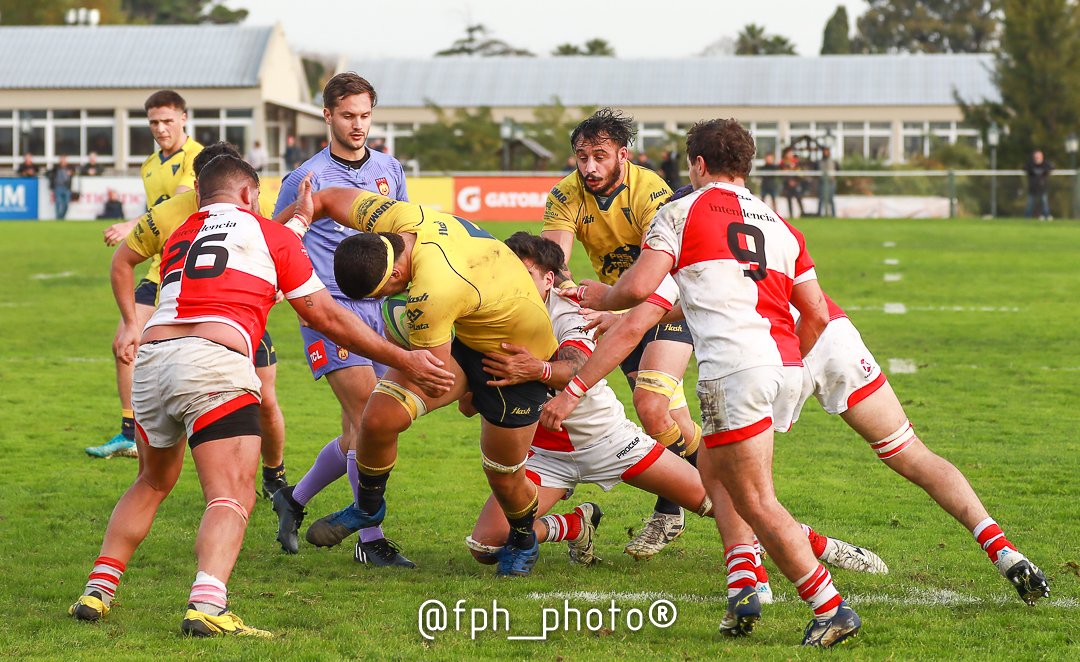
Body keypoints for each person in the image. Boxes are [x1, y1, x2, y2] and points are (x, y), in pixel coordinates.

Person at [68, 155, 453, 637]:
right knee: (230, 494)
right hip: (213, 363)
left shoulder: (183, 233)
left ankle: (97, 590)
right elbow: (323, 315)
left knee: (151, 481)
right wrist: (404, 359)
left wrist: (302, 217)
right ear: (250, 195)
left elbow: (262, 239)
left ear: (202, 193)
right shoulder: (269, 235)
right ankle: (207, 604)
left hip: (153, 361)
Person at [564, 118, 861, 647]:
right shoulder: (778, 223)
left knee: (756, 500)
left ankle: (829, 606)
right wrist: (790, 370)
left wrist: (600, 296)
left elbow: (638, 286)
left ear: (698, 164)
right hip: (784, 365)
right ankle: (743, 586)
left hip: (735, 371)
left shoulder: (679, 210)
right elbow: (814, 311)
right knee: (715, 473)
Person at [472, 233, 887, 583]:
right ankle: (574, 524)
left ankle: (822, 546)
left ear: (548, 279)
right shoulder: (493, 311)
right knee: (486, 547)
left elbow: (578, 365)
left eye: (525, 274)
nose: (513, 282)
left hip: (609, 441)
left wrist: (538, 369)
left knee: (728, 504)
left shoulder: (568, 310)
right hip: (546, 454)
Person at [277, 185, 558, 576]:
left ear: (395, 273)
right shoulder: (401, 220)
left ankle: (525, 538)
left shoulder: (430, 294)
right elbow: (323, 199)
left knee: (503, 474)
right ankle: (368, 507)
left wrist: (399, 335)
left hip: (516, 360)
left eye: (383, 294)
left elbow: (435, 375)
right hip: (469, 327)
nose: (384, 300)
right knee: (378, 418)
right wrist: (270, 237)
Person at [790, 293, 1049, 605]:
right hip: (831, 334)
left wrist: (787, 369)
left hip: (773, 346)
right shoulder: (791, 254)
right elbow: (812, 299)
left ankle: (768, 573)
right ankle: (1003, 550)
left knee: (745, 483)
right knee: (912, 453)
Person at [542, 108, 699, 561]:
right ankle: (725, 486)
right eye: (582, 157)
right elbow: (554, 258)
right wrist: (570, 289)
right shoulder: (566, 194)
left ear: (622, 156)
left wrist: (623, 309)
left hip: (666, 303)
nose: (589, 166)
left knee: (650, 407)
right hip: (614, 311)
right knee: (672, 421)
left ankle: (675, 508)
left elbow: (663, 267)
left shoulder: (651, 191)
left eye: (600, 156)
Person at [268, 73, 412, 559]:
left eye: (365, 115)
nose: (358, 125)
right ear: (327, 115)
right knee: (371, 416)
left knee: (360, 429)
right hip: (327, 308)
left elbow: (404, 235)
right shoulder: (305, 177)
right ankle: (370, 541)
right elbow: (274, 236)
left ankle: (293, 499)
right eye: (348, 115)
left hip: (379, 307)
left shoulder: (390, 168)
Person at [112, 142, 293, 499]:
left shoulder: (258, 203)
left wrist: (282, 284)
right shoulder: (169, 214)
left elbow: (284, 242)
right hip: (181, 319)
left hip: (238, 319)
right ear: (198, 185)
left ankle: (274, 474)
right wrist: (131, 323)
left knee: (266, 400)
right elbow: (122, 260)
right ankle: (174, 479)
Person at [88, 90, 204, 459]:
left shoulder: (198, 158)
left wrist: (131, 226)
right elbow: (159, 213)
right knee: (124, 343)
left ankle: (199, 429)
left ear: (183, 118)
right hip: (159, 266)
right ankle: (129, 432)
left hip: (193, 268)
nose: (160, 128)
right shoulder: (150, 164)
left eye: (167, 120)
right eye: (154, 122)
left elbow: (178, 205)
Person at [1023, 150, 1052, 220]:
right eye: (1036, 156)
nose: (1037, 158)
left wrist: (1044, 172)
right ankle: (1027, 217)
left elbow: (1051, 168)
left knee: (1044, 202)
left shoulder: (1045, 164)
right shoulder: (1030, 164)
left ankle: (1047, 215)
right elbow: (1024, 168)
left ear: (1042, 157)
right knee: (1030, 203)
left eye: (1039, 156)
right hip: (1032, 188)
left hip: (1042, 187)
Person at [47, 155, 76, 220]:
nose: (63, 161)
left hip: (67, 188)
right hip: (58, 187)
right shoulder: (56, 168)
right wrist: (52, 178)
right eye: (62, 160)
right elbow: (48, 173)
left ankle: (61, 217)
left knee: (66, 204)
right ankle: (58, 217)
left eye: (64, 160)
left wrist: (71, 173)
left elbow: (75, 173)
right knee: (58, 202)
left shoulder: (70, 168)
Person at [781, 147, 804, 218]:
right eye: (789, 152)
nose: (790, 154)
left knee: (799, 198)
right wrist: (789, 181)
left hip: (796, 183)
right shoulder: (783, 162)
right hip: (787, 184)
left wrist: (795, 181)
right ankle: (791, 214)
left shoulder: (796, 161)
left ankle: (803, 213)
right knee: (789, 199)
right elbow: (782, 173)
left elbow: (800, 173)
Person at [818, 147, 837, 217]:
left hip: (831, 182)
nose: (825, 153)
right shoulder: (820, 162)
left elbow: (838, 170)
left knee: (830, 199)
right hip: (822, 182)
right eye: (824, 151)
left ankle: (833, 214)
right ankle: (819, 214)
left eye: (827, 151)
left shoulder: (833, 161)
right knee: (821, 198)